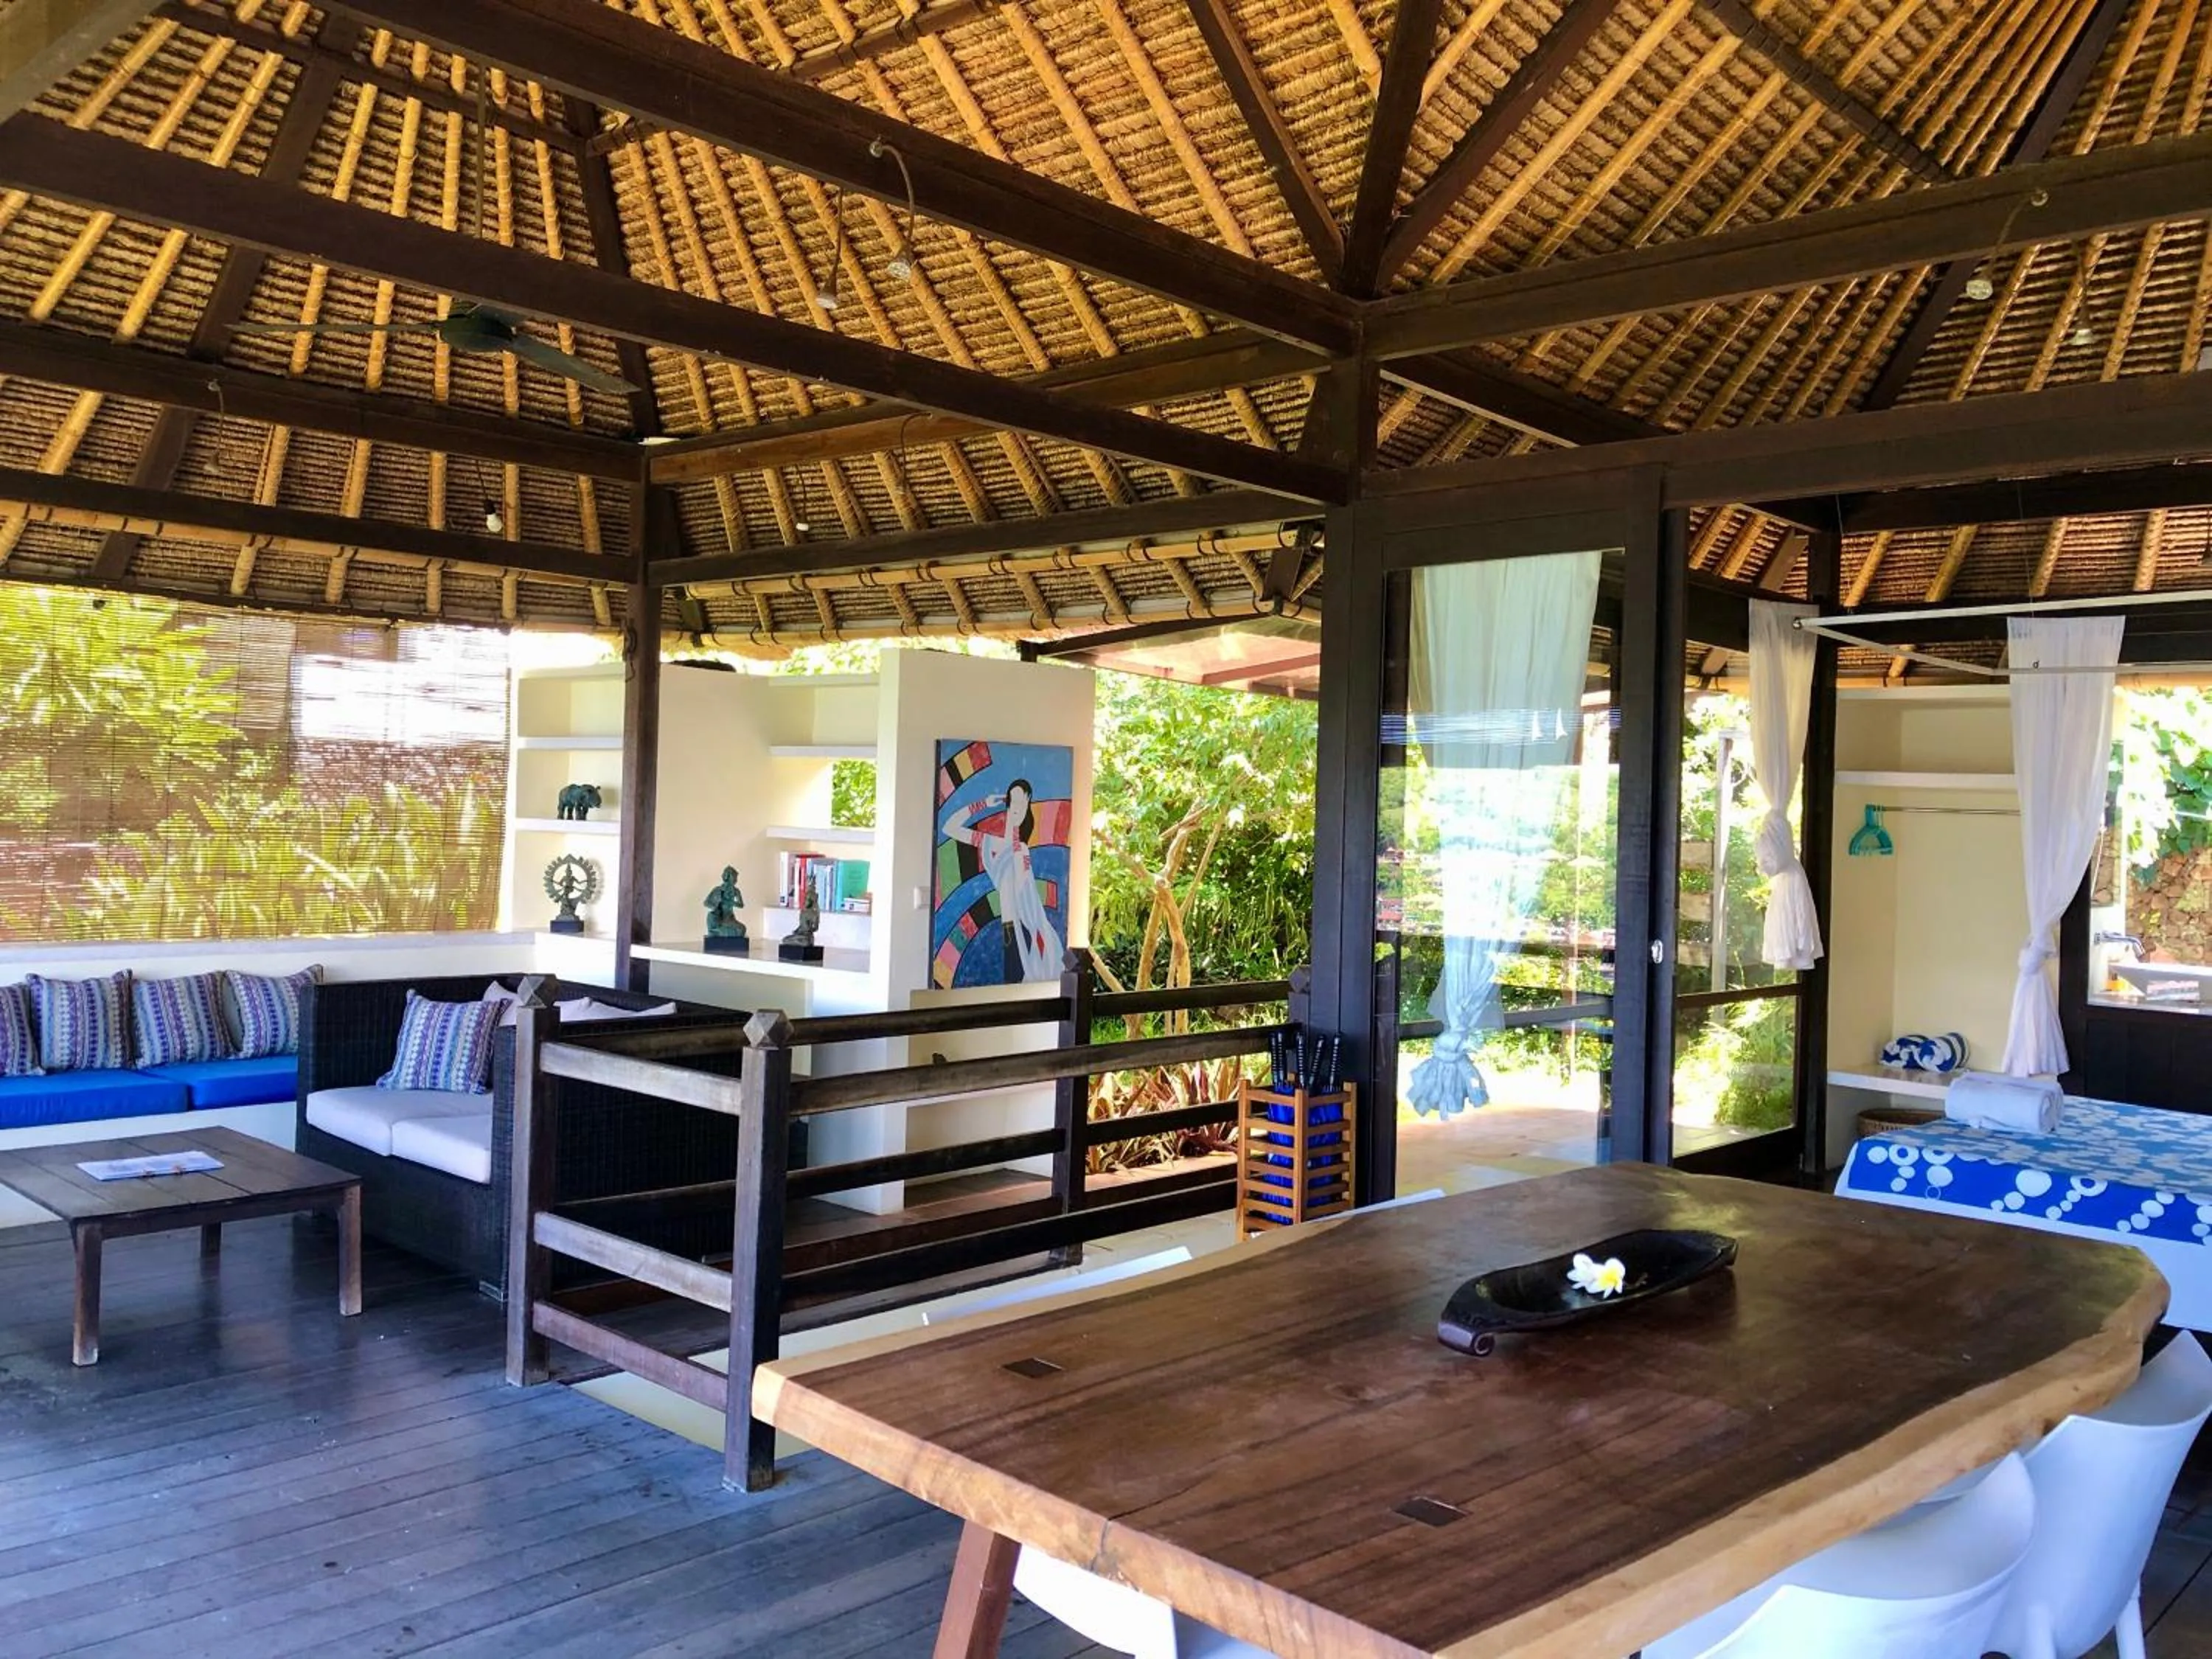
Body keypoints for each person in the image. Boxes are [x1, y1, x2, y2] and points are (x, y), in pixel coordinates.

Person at [939, 777, 1062, 983]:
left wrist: (1014, 830)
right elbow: (949, 828)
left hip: (1024, 928)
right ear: (1007, 804)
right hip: (1009, 930)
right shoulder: (992, 844)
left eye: (1023, 803)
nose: (1017, 808)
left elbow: (1022, 883)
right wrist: (983, 804)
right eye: (1013, 801)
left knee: (1020, 990)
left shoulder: (1020, 850)